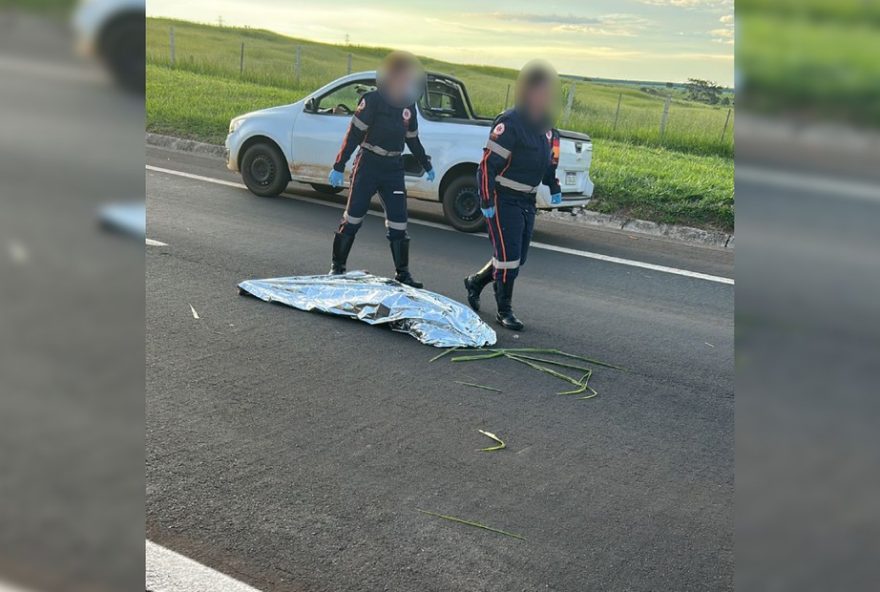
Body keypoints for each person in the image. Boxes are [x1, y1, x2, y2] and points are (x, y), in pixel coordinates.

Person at [463, 61, 562, 331]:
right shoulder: (510, 123)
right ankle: (504, 311)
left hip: (527, 201)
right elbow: (487, 165)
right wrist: (485, 200)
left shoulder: (545, 124)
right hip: (502, 198)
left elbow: (546, 161)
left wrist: (553, 186)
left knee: (517, 258)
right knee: (508, 259)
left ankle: (475, 282)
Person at [326, 51, 435, 288]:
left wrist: (426, 164)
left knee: (399, 222)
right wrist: (339, 164)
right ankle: (337, 266)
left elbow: (412, 140)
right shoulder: (372, 100)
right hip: (369, 164)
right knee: (353, 218)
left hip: (393, 168)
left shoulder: (408, 106)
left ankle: (403, 274)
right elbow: (353, 134)